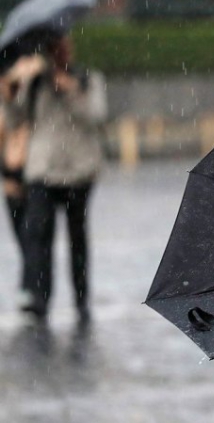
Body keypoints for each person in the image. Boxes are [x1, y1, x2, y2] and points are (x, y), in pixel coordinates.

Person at [15, 34, 107, 323]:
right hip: (43, 171)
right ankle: (39, 298)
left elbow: (96, 114)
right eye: (55, 49)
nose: (60, 54)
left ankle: (81, 298)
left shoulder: (87, 79)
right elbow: (16, 115)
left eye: (64, 48)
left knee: (77, 237)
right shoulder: (35, 82)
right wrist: (14, 83)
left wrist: (71, 90)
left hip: (78, 171)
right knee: (39, 234)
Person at [0, 55, 46, 291]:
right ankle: (32, 286)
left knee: (33, 236)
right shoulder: (6, 112)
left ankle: (34, 287)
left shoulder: (33, 102)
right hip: (11, 175)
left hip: (31, 175)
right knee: (24, 239)